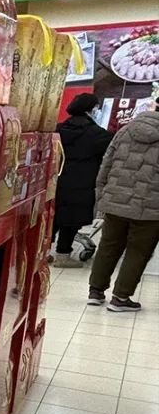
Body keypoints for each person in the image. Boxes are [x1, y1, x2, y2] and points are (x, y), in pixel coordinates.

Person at [88, 107, 159, 312]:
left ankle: (95, 292)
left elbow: (106, 164)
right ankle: (120, 297)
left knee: (108, 246)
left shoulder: (126, 130)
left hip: (115, 200)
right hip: (150, 207)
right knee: (138, 252)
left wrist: (102, 199)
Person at [52, 93, 112, 268]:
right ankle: (63, 256)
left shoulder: (58, 129)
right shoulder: (98, 134)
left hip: (55, 180)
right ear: (91, 109)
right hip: (82, 183)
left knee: (52, 218)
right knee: (71, 220)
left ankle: (42, 253)